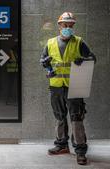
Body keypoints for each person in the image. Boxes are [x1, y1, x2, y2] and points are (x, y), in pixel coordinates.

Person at [40, 12, 96, 165]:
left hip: (75, 86)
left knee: (77, 118)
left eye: (71, 25)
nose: (68, 28)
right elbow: (43, 60)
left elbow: (92, 58)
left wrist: (83, 59)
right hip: (56, 86)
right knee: (59, 117)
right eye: (65, 25)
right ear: (59, 25)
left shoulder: (79, 42)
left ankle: (80, 151)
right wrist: (45, 63)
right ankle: (61, 145)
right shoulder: (50, 42)